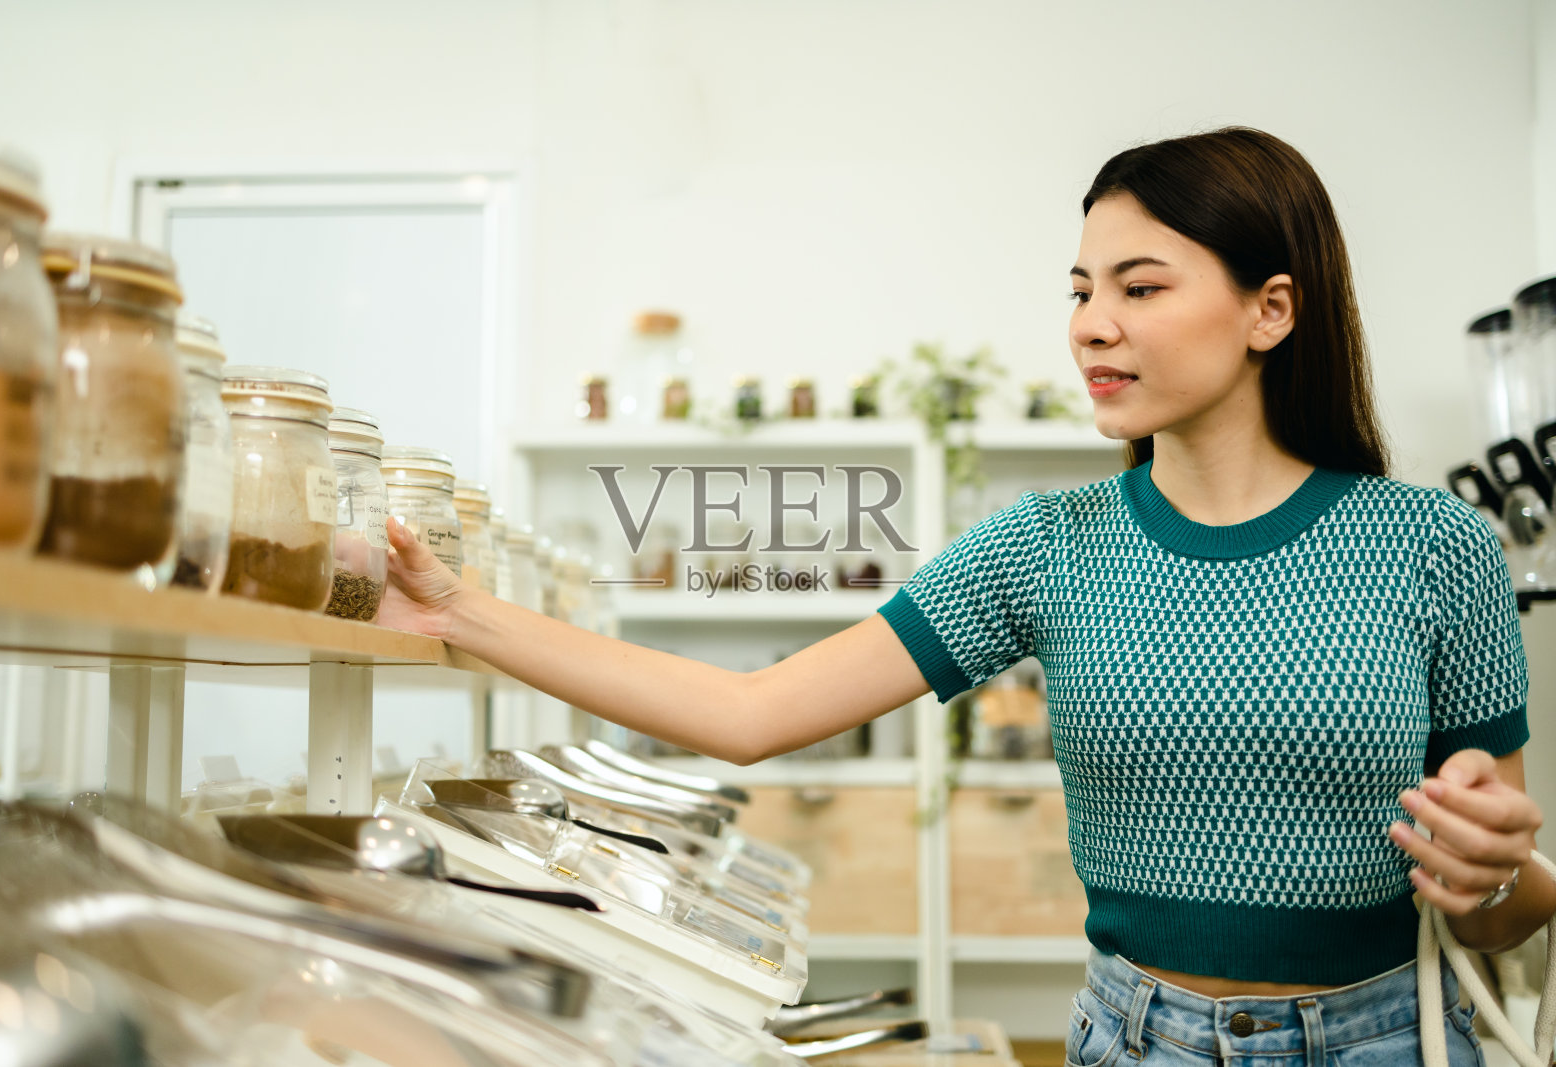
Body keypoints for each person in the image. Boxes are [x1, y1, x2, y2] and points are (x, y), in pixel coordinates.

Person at [377, 127, 1551, 1066]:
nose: (1091, 324)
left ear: (1271, 310)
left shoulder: (1435, 546)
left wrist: (1498, 870)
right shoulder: (1046, 546)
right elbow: (749, 711)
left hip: (1385, 1038)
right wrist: (455, 611)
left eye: (1140, 286)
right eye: (1081, 290)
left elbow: (1502, 902)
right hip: (1131, 1039)